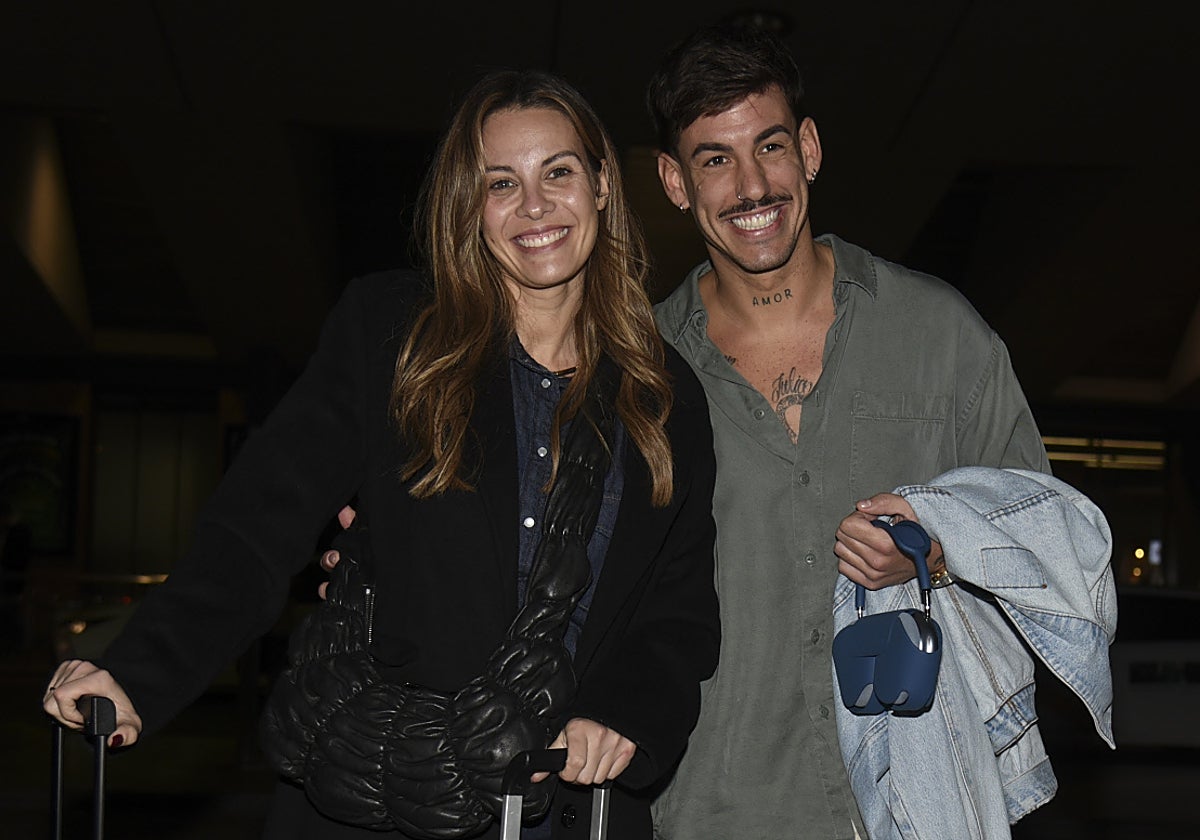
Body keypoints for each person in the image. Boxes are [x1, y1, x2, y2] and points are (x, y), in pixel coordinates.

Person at [43, 69, 720, 839]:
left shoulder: (664, 396)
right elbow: (259, 524)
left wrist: (624, 712)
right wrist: (139, 671)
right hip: (387, 797)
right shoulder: (394, 336)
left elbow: (680, 614)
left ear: (600, 184)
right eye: (501, 183)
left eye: (557, 172)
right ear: (469, 204)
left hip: (567, 805)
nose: (534, 206)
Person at [643, 21, 1099, 840]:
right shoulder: (639, 372)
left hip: (917, 811)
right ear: (676, 182)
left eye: (770, 146)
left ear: (809, 149)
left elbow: (1053, 541)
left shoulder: (939, 334)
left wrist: (939, 549)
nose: (752, 186)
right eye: (715, 159)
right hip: (718, 811)